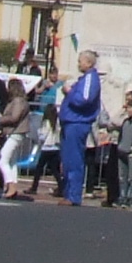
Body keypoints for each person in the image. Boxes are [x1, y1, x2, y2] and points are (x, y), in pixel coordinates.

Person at [58, 48, 105, 204]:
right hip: (70, 122)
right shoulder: (84, 79)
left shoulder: (91, 78)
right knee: (67, 160)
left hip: (77, 123)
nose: (78, 64)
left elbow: (84, 99)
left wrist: (69, 92)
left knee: (74, 160)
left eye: (80, 61)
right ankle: (67, 193)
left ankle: (73, 195)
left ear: (89, 63)